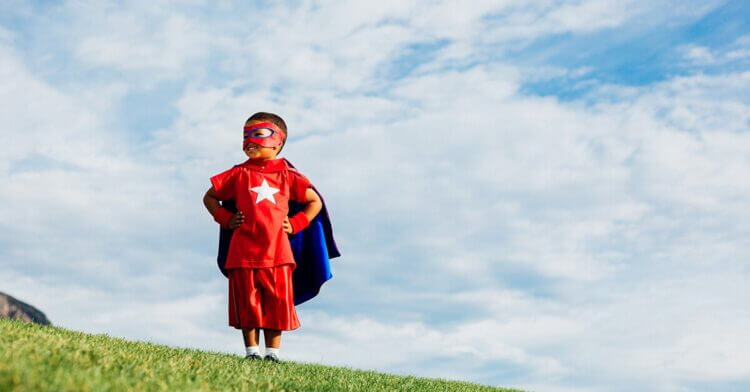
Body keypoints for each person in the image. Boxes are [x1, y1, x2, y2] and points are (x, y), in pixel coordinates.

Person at [203, 112, 322, 362]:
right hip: (243, 251)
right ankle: (252, 352)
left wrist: (298, 223)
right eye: (245, 135)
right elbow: (210, 197)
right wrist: (225, 218)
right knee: (247, 302)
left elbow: (314, 202)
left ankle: (273, 353)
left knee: (277, 302)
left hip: (278, 252)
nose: (249, 140)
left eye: (258, 134)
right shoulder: (237, 174)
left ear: (278, 141)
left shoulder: (288, 174)